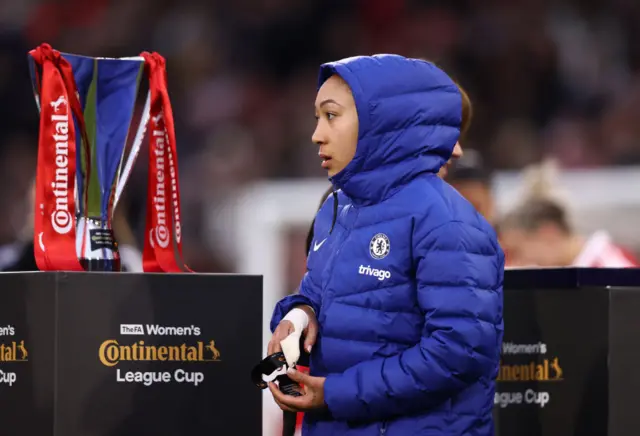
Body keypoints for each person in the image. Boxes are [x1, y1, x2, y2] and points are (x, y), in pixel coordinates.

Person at [267, 54, 504, 435]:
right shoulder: (336, 207)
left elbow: (458, 353)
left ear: (381, 123)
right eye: (317, 118)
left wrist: (333, 393)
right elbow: (315, 293)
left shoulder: (449, 222)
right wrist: (298, 317)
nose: (317, 134)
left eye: (331, 115)